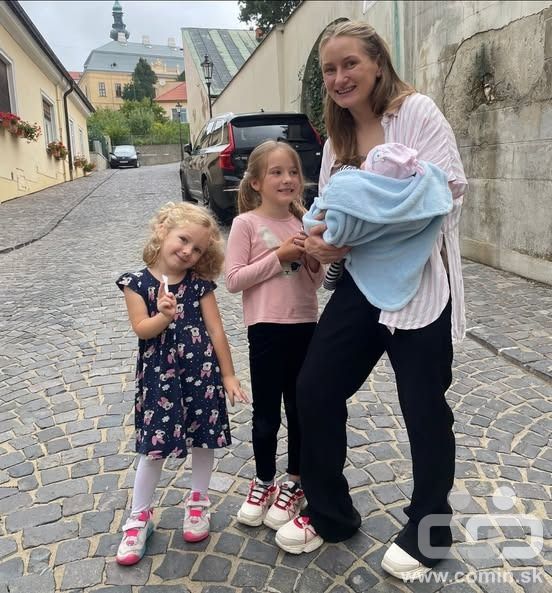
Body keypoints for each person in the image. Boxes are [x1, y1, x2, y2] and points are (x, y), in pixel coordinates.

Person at [274, 20, 467, 582]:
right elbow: (332, 214)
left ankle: (429, 528)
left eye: (350, 64)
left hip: (422, 285)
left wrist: (355, 235)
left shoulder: (418, 113)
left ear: (378, 62)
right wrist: (320, 243)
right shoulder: (337, 141)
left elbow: (446, 194)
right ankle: (330, 513)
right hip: (360, 285)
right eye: (329, 70)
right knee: (315, 388)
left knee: (424, 407)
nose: (339, 78)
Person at [115, 202, 247, 565]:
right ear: (163, 231)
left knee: (204, 438)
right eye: (184, 239)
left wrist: (228, 374)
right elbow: (142, 329)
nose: (189, 251)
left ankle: (198, 502)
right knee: (152, 448)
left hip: (201, 374)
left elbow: (216, 330)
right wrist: (163, 316)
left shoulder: (199, 286)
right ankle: (139, 517)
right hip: (161, 379)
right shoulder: (136, 283)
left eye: (198, 249)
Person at [225, 140, 325, 531]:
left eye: (293, 172)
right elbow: (234, 280)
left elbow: (316, 282)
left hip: (305, 325)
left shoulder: (306, 223)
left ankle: (295, 482)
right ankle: (264, 481)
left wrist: (311, 258)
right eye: (277, 172)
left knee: (300, 410)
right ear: (255, 183)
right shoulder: (245, 224)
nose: (287, 179)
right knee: (266, 413)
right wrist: (278, 257)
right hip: (266, 329)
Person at [319, 142, 435, 292]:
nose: (363, 165)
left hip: (352, 238)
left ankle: (331, 278)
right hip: (352, 245)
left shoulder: (357, 176)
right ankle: (331, 278)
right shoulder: (342, 159)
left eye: (368, 165)